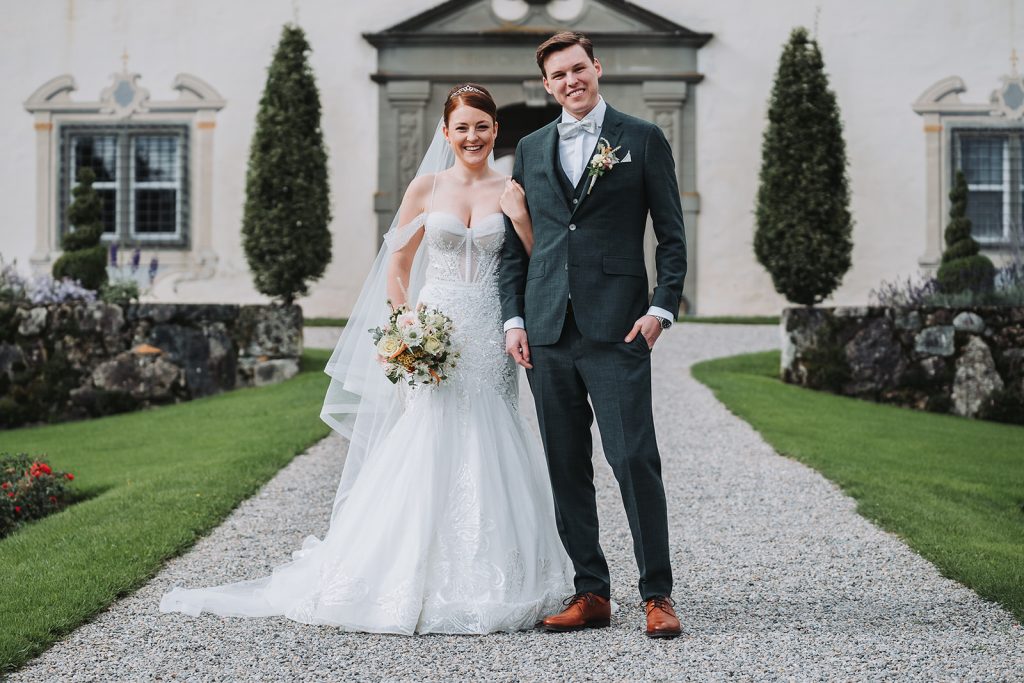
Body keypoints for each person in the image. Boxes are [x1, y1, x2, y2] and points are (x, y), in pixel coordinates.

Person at [160, 84, 573, 635]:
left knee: (491, 430)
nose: (472, 136)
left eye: (482, 126)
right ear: (446, 134)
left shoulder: (512, 190)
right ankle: (404, 573)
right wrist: (408, 326)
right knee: (429, 432)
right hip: (437, 326)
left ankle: (500, 576)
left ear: (496, 130)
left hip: (488, 332)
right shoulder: (426, 188)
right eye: (462, 127)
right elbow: (397, 265)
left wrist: (520, 217)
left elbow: (534, 259)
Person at [499, 31, 688, 639]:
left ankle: (656, 594)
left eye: (578, 69)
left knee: (634, 459)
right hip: (548, 329)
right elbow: (515, 242)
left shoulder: (641, 139)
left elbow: (672, 238)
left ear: (596, 69)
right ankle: (591, 592)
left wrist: (661, 310)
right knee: (565, 464)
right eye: (558, 75)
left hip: (619, 328)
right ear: (547, 85)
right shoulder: (528, 148)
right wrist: (514, 318)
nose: (570, 81)